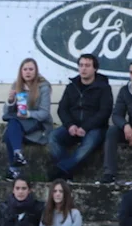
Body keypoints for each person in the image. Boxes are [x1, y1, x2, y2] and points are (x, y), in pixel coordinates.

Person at [48, 53, 112, 181]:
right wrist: (70, 125)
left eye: (87, 65)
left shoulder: (104, 88)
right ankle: (67, 170)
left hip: (94, 128)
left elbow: (105, 112)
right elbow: (62, 109)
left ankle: (61, 169)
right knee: (53, 137)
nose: (83, 68)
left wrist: (86, 127)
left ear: (95, 68)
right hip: (72, 126)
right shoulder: (71, 87)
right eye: (81, 65)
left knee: (88, 144)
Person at [2, 58, 52, 180]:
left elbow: (44, 113)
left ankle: (14, 169)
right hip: (20, 123)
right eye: (25, 69)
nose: (28, 72)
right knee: (12, 124)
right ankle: (17, 155)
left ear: (36, 71)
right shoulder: (16, 85)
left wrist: (28, 114)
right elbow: (6, 112)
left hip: (37, 124)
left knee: (10, 131)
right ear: (21, 72)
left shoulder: (44, 87)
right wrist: (10, 100)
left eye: (31, 69)